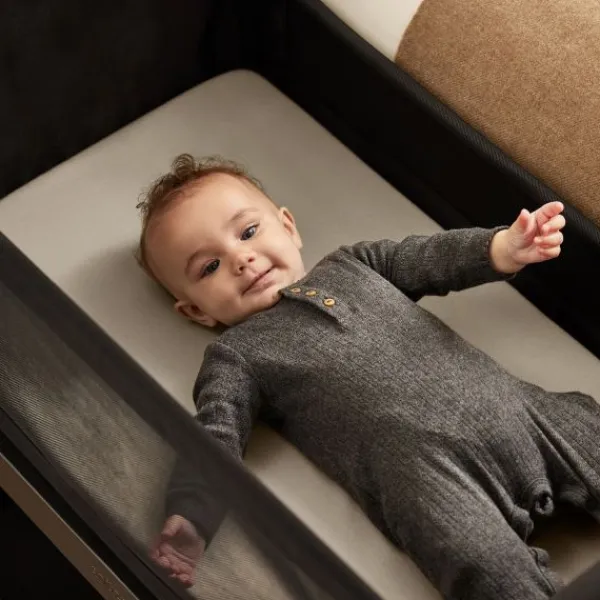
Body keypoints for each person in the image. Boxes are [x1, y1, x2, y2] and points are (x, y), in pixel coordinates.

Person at [137, 154, 599, 599]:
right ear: (196, 311)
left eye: (248, 232)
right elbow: (215, 433)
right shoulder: (236, 354)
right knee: (479, 563)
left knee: (586, 428)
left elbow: (428, 258)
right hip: (426, 477)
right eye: (210, 267)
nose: (241, 259)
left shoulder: (352, 263)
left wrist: (501, 248)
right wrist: (191, 516)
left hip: (522, 413)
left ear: (288, 227)